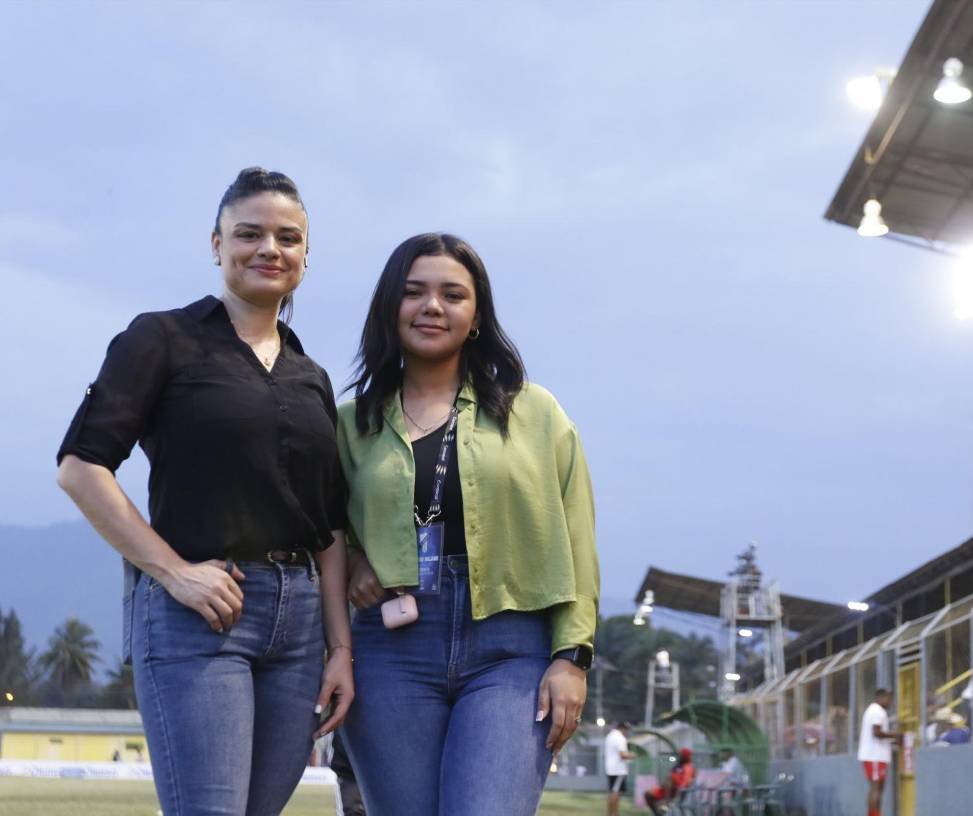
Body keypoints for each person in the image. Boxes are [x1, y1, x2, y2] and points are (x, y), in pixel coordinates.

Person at [55, 168, 353, 815]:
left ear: (306, 255)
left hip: (299, 628)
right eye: (249, 233)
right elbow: (80, 467)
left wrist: (341, 650)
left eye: (288, 237)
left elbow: (330, 527)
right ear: (217, 245)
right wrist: (174, 573)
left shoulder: (311, 376)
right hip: (201, 616)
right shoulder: (162, 339)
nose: (269, 248)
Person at [337, 233, 599, 816]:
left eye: (453, 294)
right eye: (414, 292)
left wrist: (572, 656)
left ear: (477, 316)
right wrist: (355, 558)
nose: (432, 306)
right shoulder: (351, 423)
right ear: (390, 307)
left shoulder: (535, 411)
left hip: (512, 649)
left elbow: (577, 537)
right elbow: (325, 527)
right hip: (390, 650)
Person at [857, 689, 899, 816]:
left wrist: (893, 739)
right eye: (889, 699)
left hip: (876, 756)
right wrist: (896, 735)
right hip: (874, 756)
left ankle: (874, 813)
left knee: (878, 789)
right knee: (876, 788)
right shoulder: (877, 711)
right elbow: (877, 732)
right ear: (881, 697)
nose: (890, 702)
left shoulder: (874, 710)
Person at [644, 748, 696, 816]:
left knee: (670, 781)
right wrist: (666, 781)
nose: (679, 756)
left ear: (685, 757)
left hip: (676, 791)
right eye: (679, 755)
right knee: (648, 794)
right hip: (666, 789)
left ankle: (666, 803)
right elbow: (670, 775)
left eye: (681, 755)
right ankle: (658, 814)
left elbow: (685, 782)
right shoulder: (678, 765)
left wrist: (675, 784)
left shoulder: (688, 767)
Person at [604, 722, 634, 816]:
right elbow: (623, 755)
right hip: (618, 769)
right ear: (623, 729)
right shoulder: (620, 738)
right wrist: (632, 755)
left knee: (612, 792)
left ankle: (611, 814)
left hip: (610, 768)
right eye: (627, 730)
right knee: (616, 793)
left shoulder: (610, 736)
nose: (627, 732)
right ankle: (614, 814)